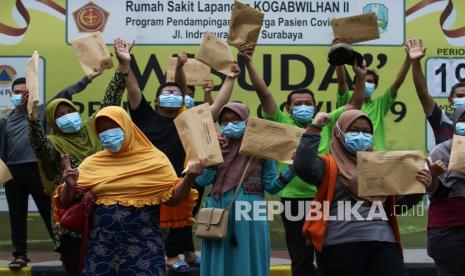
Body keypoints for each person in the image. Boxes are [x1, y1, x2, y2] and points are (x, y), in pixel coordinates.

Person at [238, 43, 366, 276]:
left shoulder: (325, 122)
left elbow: (354, 104)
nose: (305, 107)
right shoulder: (281, 121)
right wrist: (247, 62)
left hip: (325, 197)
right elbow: (264, 93)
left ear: (316, 107)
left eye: (308, 103)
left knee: (330, 254)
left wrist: (360, 78)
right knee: (300, 258)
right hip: (293, 200)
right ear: (288, 109)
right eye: (298, 104)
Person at [126, 51, 240, 271]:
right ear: (157, 99)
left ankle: (182, 255)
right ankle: (166, 258)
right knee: (157, 229)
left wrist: (231, 78)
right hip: (152, 183)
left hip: (185, 180)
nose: (173, 94)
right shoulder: (144, 115)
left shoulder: (189, 120)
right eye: (167, 91)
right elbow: (132, 87)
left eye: (177, 92)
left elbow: (217, 105)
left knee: (183, 223)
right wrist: (126, 62)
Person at [27, 38, 132, 275]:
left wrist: (123, 66)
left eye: (70, 111)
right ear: (53, 121)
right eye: (60, 114)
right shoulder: (54, 143)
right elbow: (39, 146)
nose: (68, 116)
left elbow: (110, 100)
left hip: (107, 215)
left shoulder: (94, 129)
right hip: (72, 221)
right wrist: (33, 121)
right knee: (78, 268)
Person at [58, 106, 203, 275]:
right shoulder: (92, 163)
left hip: (143, 246)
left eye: (113, 127)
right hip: (101, 246)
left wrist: (189, 178)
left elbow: (173, 199)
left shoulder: (155, 160)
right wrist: (69, 185)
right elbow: (65, 201)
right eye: (102, 130)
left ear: (127, 126)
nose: (107, 133)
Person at [293, 110, 433, 276]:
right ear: (339, 132)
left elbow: (397, 207)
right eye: (353, 130)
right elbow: (303, 167)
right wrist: (315, 127)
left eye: (367, 132)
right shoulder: (327, 164)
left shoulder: (381, 166)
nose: (361, 135)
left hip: (384, 242)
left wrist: (419, 188)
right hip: (339, 244)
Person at [0, 69, 101, 270]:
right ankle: (20, 255)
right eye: (17, 92)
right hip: (12, 172)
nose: (21, 95)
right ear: (11, 95)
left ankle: (62, 247)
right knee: (16, 214)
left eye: (25, 92)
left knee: (50, 211)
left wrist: (87, 78)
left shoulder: (44, 112)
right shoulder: (5, 120)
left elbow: (65, 94)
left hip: (38, 170)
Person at [195, 102, 295, 276]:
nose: (230, 125)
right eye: (224, 121)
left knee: (247, 259)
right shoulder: (214, 146)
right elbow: (202, 181)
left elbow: (272, 186)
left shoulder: (261, 150)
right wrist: (212, 154)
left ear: (247, 122)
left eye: (236, 119)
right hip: (218, 212)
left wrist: (292, 169)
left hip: (249, 215)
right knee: (219, 260)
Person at [334, 37, 411, 151]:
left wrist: (409, 59)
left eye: (370, 81)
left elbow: (397, 83)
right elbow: (341, 82)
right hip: (349, 153)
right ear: (354, 85)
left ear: (375, 87)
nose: (365, 84)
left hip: (376, 155)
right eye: (363, 80)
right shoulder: (347, 102)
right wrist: (338, 53)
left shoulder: (379, 105)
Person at [427, 104, 465, 276]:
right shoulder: (441, 151)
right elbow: (428, 189)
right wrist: (433, 175)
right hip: (447, 231)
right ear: (456, 122)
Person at [407, 37, 465, 145]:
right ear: (450, 100)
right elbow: (422, 93)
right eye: (460, 96)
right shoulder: (442, 119)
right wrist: (415, 62)